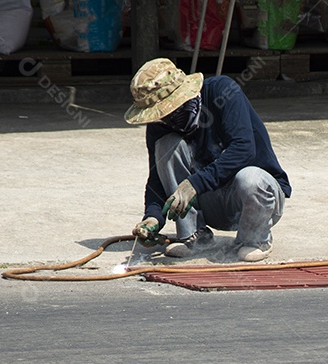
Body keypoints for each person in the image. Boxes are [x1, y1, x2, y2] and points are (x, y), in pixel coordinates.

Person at [125, 58, 292, 261]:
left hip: (256, 198)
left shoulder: (222, 91)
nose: (167, 119)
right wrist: (152, 217)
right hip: (213, 203)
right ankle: (195, 236)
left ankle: (256, 239)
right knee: (166, 145)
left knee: (250, 178)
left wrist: (194, 184)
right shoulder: (160, 127)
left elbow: (244, 149)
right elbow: (157, 179)